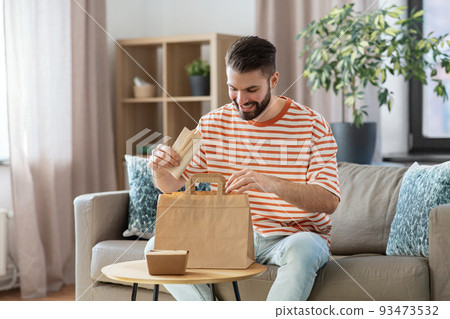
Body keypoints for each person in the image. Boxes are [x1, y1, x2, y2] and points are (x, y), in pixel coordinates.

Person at [146, 36, 340, 301]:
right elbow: (174, 186)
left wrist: (268, 182)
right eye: (233, 88)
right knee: (157, 246)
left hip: (293, 237)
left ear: (273, 80)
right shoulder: (212, 124)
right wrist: (159, 169)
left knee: (304, 248)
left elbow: (328, 200)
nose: (240, 99)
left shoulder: (312, 125)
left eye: (251, 89)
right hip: (228, 233)